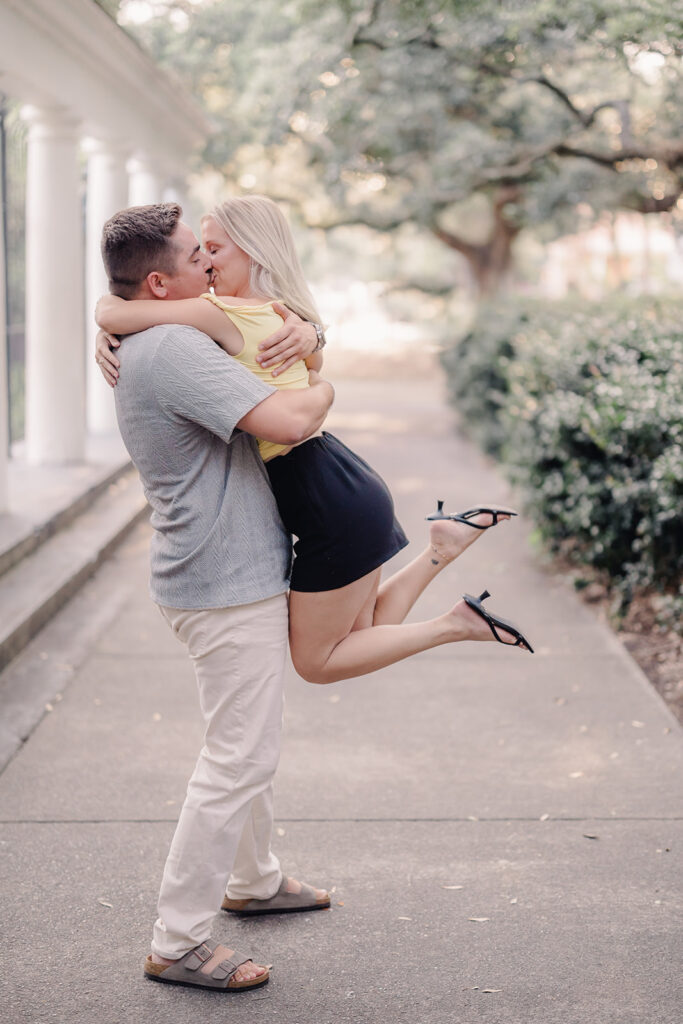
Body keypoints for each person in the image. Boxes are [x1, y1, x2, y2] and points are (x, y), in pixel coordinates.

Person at [96, 194, 534, 688]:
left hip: (318, 492)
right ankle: (442, 550)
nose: (208, 264)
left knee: (317, 662)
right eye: (201, 253)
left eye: (214, 250)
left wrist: (105, 316)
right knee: (362, 632)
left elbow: (119, 314)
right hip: (339, 478)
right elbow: (313, 364)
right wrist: (315, 352)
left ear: (252, 252)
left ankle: (455, 625)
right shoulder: (279, 312)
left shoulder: (217, 312)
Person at [99, 202, 335, 994]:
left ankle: (254, 880)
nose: (208, 263)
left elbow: (269, 340)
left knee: (241, 739)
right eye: (194, 255)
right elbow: (288, 419)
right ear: (159, 285)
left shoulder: (164, 331)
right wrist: (327, 387)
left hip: (216, 573)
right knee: (240, 755)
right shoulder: (173, 346)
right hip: (223, 581)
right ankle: (177, 940)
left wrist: (311, 337)